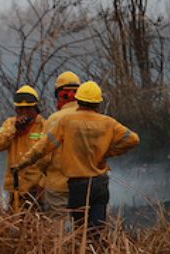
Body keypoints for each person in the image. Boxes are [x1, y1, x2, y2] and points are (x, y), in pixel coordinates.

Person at [13, 81, 139, 230]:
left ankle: (80, 251)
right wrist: (109, 152)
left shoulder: (66, 121)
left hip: (77, 185)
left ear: (78, 100)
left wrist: (22, 163)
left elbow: (43, 147)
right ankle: (97, 250)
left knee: (79, 229)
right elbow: (132, 139)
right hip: (100, 183)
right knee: (97, 228)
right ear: (98, 103)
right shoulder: (108, 122)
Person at [0, 85, 47, 209]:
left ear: (35, 108)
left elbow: (49, 158)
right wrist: (14, 129)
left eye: (28, 108)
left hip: (35, 188)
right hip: (15, 188)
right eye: (20, 109)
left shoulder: (44, 125)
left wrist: (43, 185)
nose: (24, 112)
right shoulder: (10, 124)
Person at [38, 71, 81, 212]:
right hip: (86, 185)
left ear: (61, 95)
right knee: (84, 227)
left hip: (58, 186)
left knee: (59, 228)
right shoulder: (94, 118)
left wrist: (48, 175)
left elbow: (43, 156)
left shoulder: (54, 119)